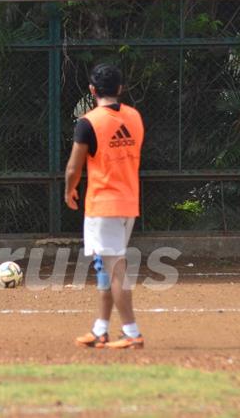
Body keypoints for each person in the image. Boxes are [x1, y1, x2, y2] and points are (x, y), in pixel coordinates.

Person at [64, 64, 145, 349]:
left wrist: (69, 188)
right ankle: (100, 329)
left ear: (92, 90)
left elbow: (74, 166)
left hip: (104, 204)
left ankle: (132, 331)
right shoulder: (134, 117)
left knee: (114, 269)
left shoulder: (88, 122)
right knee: (105, 266)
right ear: (120, 89)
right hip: (128, 203)